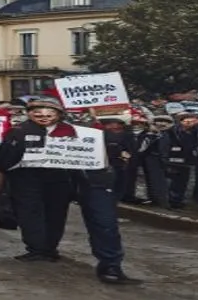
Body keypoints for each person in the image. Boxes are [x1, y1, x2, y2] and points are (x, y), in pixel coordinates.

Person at [0, 97, 75, 262]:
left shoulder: (72, 131)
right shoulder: (17, 131)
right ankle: (36, 248)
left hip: (59, 180)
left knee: (56, 214)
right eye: (37, 113)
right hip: (26, 180)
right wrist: (1, 179)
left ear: (59, 114)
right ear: (29, 114)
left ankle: (50, 248)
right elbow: (3, 158)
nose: (43, 117)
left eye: (49, 114)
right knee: (29, 213)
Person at [74, 112, 143, 285]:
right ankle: (42, 250)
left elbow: (130, 160)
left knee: (105, 224)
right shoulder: (86, 132)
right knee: (103, 223)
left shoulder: (127, 138)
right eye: (108, 124)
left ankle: (110, 265)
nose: (113, 127)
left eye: (117, 125)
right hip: (83, 181)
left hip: (107, 183)